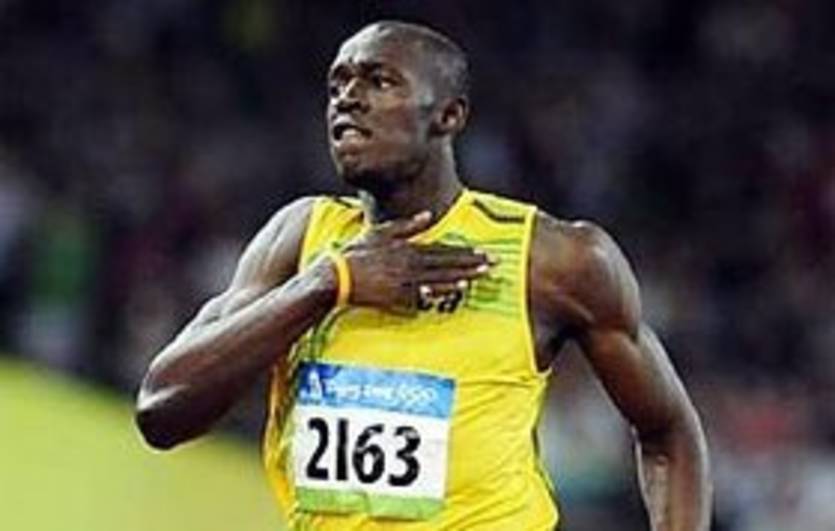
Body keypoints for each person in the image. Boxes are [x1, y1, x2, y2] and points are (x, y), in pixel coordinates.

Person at [136, 20, 711, 530]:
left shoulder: (554, 258)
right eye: (338, 84)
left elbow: (669, 432)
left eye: (379, 81)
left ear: (449, 115)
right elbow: (162, 409)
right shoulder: (300, 240)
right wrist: (329, 284)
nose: (348, 99)